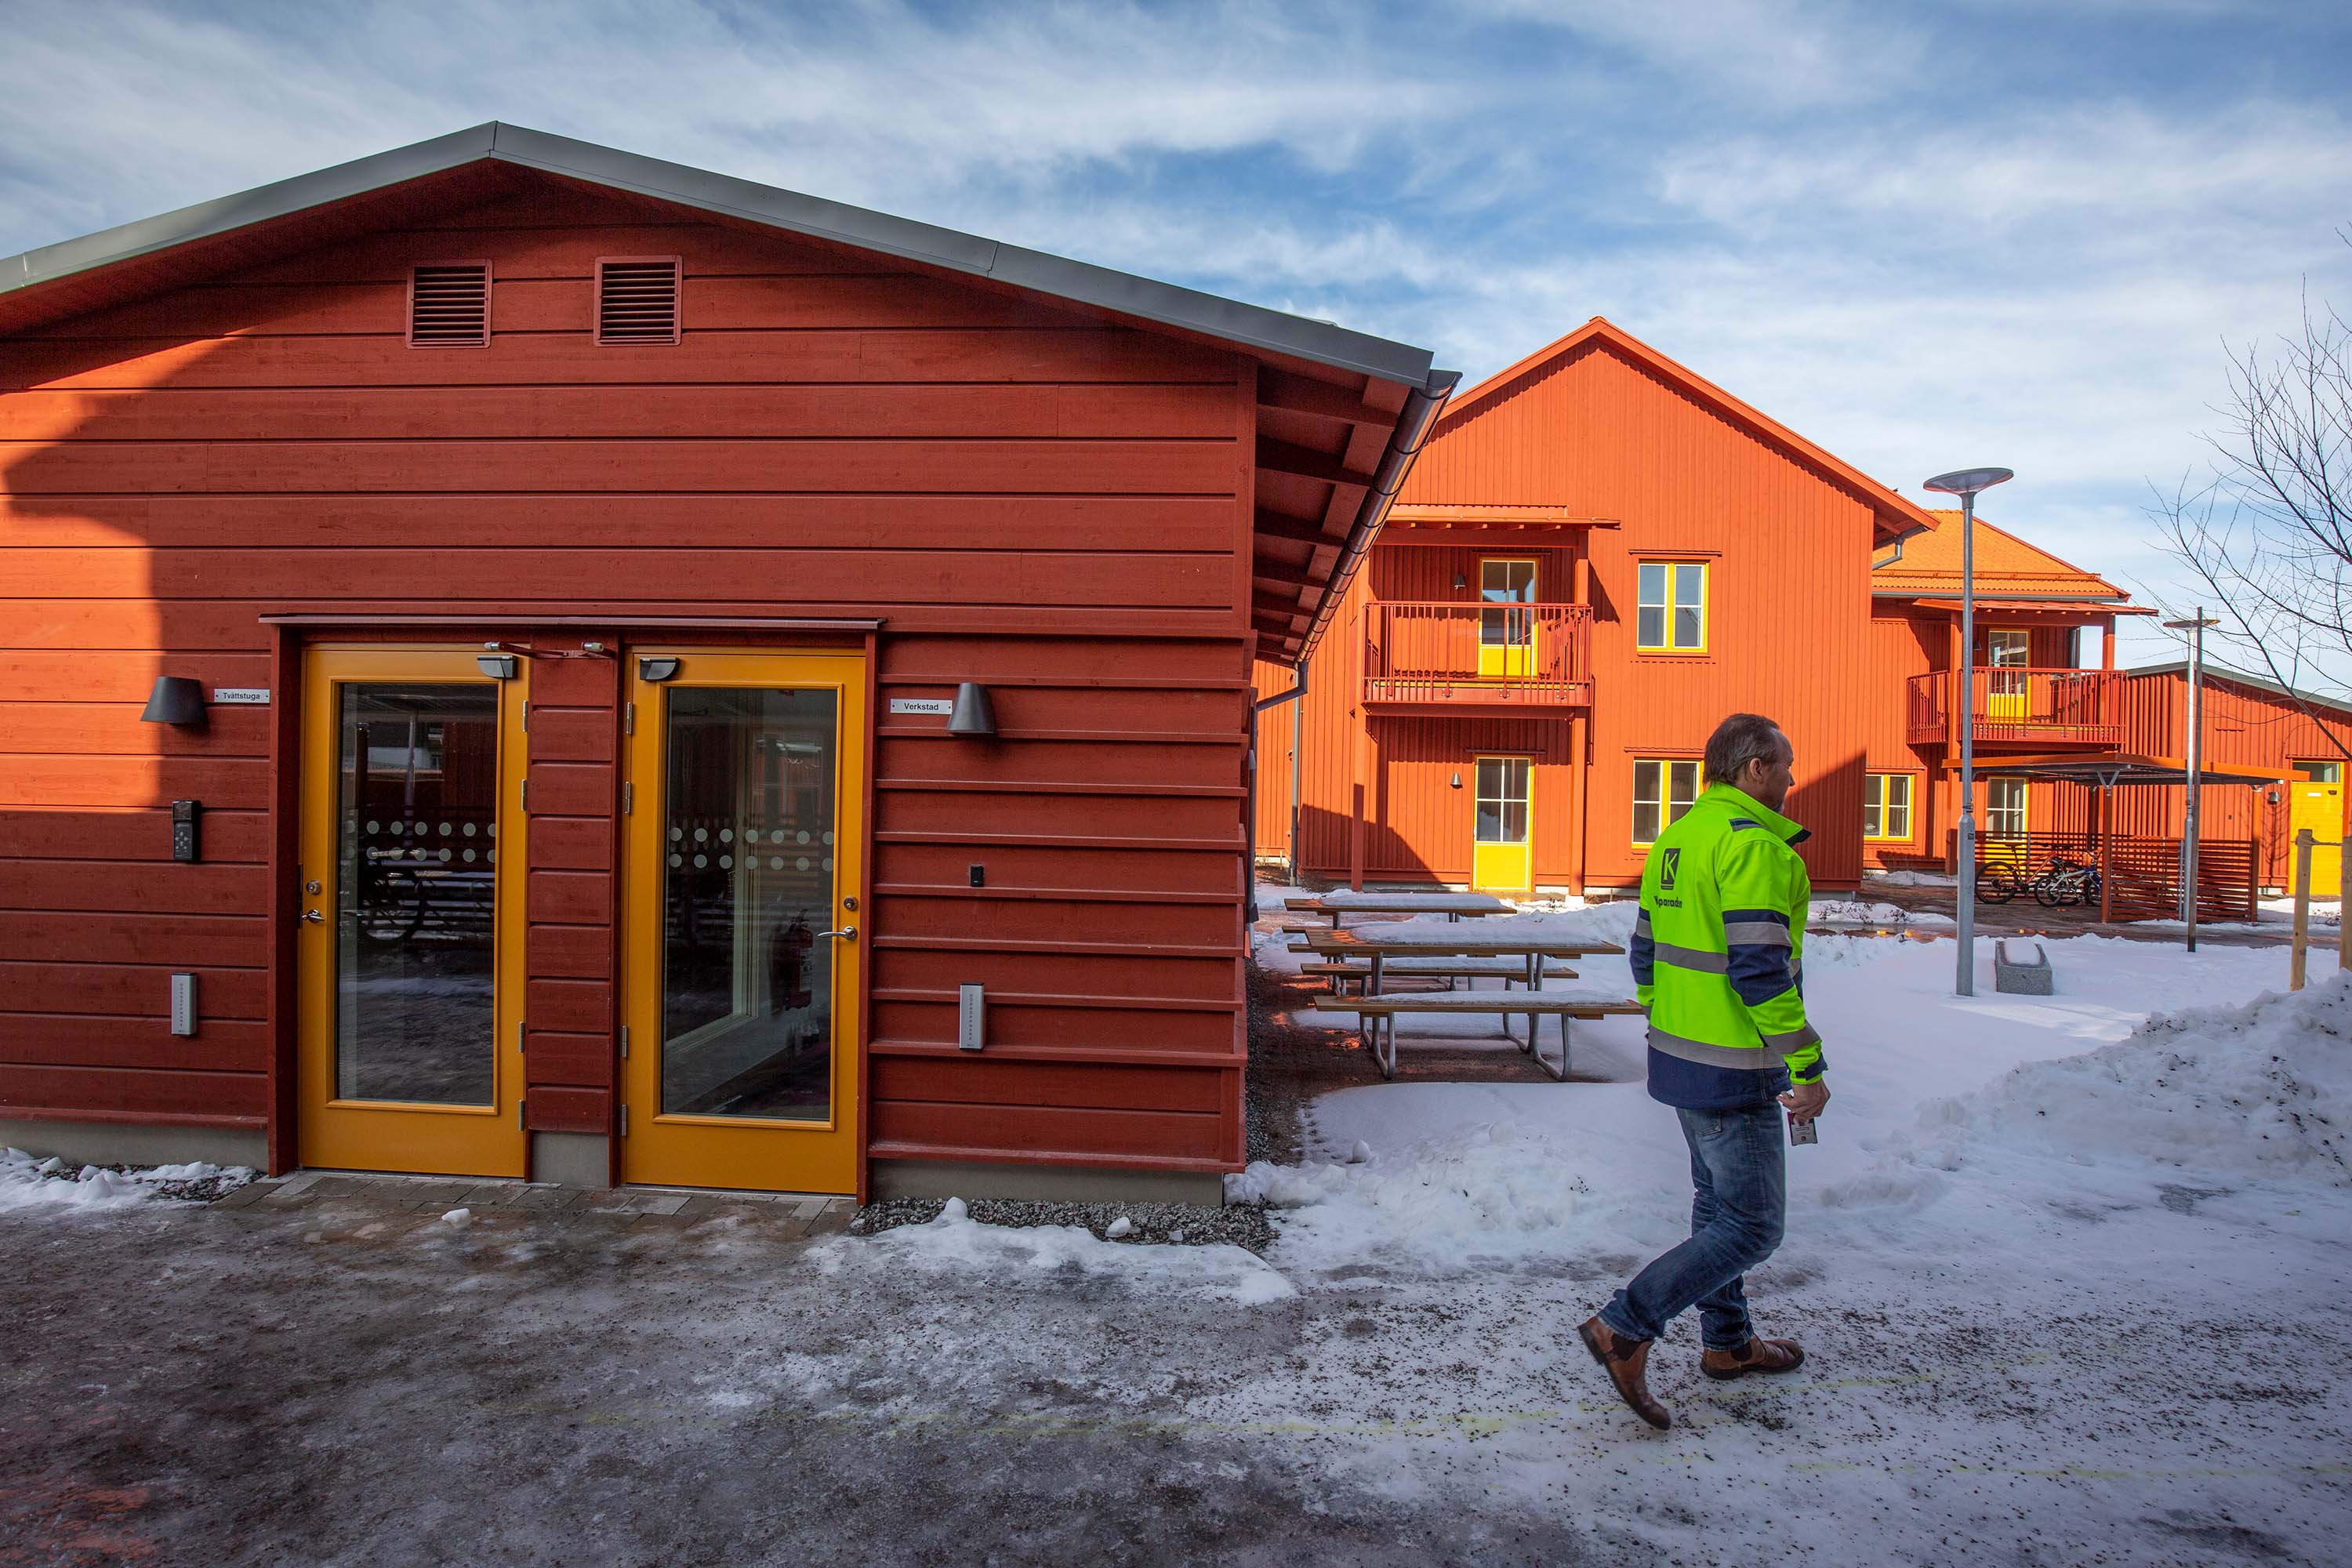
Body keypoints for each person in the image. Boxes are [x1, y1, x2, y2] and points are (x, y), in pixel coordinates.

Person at [1578, 713, 1830, 1430]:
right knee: (1753, 1227)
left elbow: (1645, 954)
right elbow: (1761, 971)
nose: (1790, 777)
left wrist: (1673, 1021)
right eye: (1785, 764)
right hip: (1734, 1067)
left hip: (1684, 1058)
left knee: (1717, 1208)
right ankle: (1625, 1324)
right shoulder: (1753, 848)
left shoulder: (1678, 838)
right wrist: (1806, 1065)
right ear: (1754, 770)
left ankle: (1726, 1345)